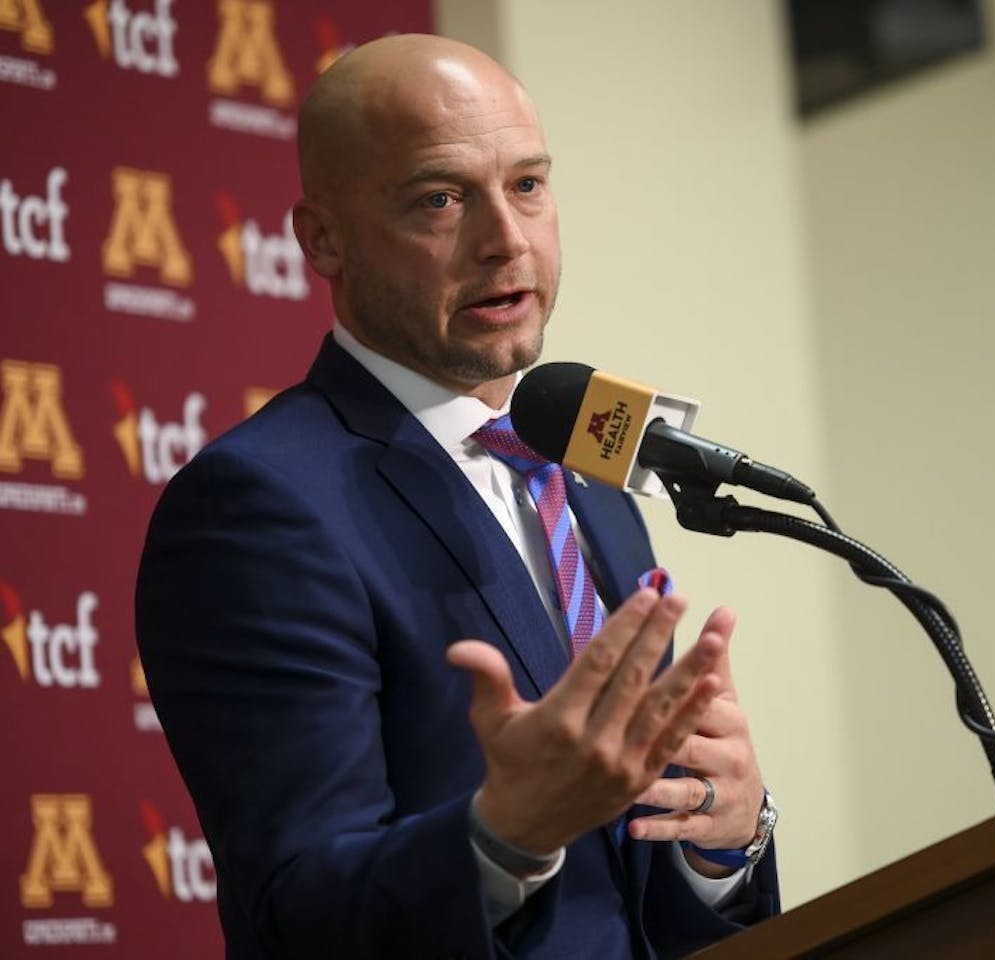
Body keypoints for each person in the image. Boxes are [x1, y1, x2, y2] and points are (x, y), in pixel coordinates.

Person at [135, 34, 778, 959]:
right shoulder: (257, 507)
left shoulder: (590, 491)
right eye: (440, 197)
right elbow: (300, 911)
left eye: (528, 186)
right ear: (323, 239)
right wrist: (504, 837)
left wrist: (722, 839)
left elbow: (633, 898)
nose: (505, 240)